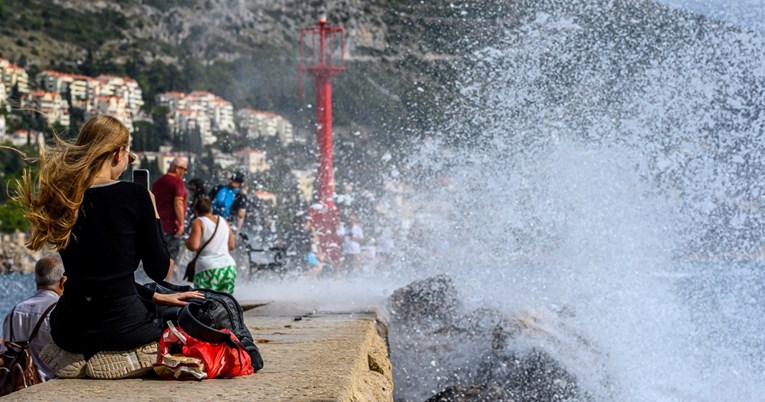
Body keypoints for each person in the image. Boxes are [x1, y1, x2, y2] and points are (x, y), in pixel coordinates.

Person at [15, 115, 203, 379]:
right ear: (118, 153)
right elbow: (159, 270)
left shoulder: (66, 197)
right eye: (129, 155)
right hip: (123, 327)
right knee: (189, 326)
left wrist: (154, 296)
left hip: (70, 330)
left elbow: (95, 276)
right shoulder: (135, 195)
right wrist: (154, 215)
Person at [2, 255, 66, 381]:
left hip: (20, 388)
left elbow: (6, 353)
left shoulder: (14, 312)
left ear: (36, 280)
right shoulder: (60, 311)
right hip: (51, 387)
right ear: (63, 282)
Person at [185, 197, 237, 293]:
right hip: (229, 268)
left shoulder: (198, 221)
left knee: (205, 303)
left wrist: (186, 241)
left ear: (196, 212)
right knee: (225, 302)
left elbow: (193, 246)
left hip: (207, 269)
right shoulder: (223, 220)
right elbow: (232, 246)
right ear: (211, 209)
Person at [152, 156, 188, 272]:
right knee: (171, 257)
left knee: (159, 257)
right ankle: (167, 286)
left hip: (158, 226)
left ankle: (158, 283)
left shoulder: (158, 182)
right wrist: (181, 224)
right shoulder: (177, 182)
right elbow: (178, 202)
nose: (185, 173)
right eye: (184, 169)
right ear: (177, 168)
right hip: (172, 226)